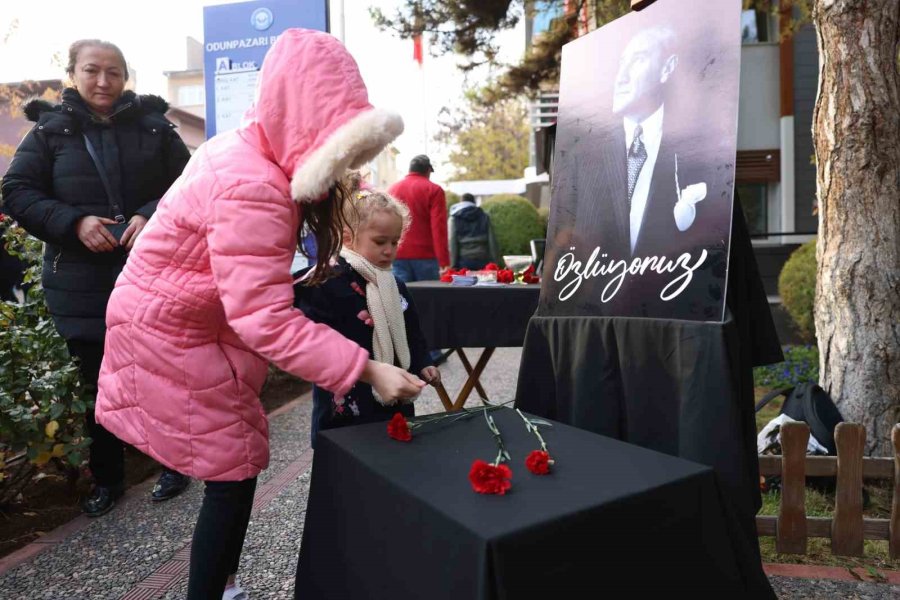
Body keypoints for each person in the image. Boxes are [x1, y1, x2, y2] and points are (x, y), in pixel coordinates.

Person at [92, 29, 423, 599]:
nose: (343, 166)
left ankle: (221, 584)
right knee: (234, 465)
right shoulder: (255, 184)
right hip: (173, 331)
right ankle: (212, 591)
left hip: (179, 320)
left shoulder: (243, 147)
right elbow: (264, 318)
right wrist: (369, 370)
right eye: (341, 146)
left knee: (236, 461)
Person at [1, 39, 192, 516]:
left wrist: (150, 214)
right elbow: (16, 191)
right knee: (98, 384)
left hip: (150, 276)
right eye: (92, 71)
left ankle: (172, 463)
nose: (103, 82)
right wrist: (74, 223)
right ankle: (108, 479)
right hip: (80, 284)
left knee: (160, 373)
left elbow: (190, 186)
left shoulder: (155, 128)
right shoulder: (49, 131)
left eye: (114, 72)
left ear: (126, 76)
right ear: (73, 74)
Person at [294, 189, 440, 447]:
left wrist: (422, 362)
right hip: (346, 401)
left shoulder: (395, 285)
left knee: (390, 453)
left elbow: (411, 330)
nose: (389, 251)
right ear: (349, 239)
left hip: (392, 396)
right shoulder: (328, 279)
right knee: (345, 460)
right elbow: (297, 314)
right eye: (380, 241)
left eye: (395, 242)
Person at [388, 154, 450, 282]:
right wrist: (444, 260)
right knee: (428, 299)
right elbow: (439, 228)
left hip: (398, 254)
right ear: (428, 171)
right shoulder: (434, 190)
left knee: (400, 298)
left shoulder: (392, 189)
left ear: (410, 170)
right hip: (426, 256)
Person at [448, 193, 499, 270]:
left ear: (461, 202)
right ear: (474, 202)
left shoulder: (454, 218)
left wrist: (453, 265)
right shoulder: (484, 216)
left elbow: (452, 242)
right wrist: (495, 263)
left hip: (463, 260)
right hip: (482, 259)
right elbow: (492, 241)